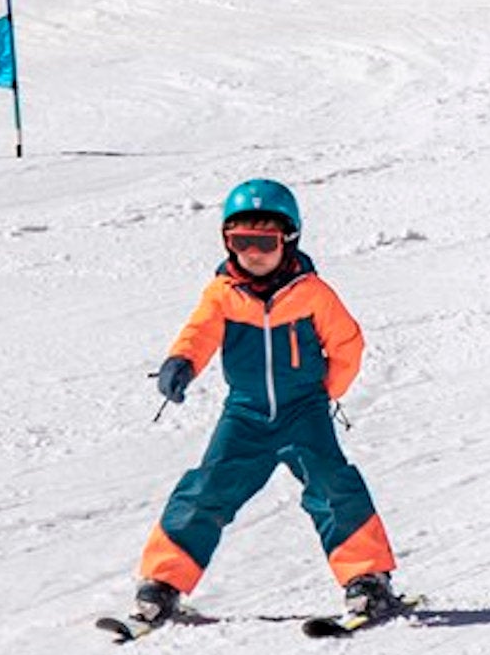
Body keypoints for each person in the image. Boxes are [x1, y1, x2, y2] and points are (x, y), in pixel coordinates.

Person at [128, 178, 405, 631]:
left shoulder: (313, 293)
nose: (252, 253)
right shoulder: (223, 293)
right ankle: (162, 582)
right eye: (240, 242)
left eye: (264, 241)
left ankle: (367, 579)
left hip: (304, 412)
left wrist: (326, 392)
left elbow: (347, 344)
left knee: (333, 487)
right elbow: (199, 332)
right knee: (206, 489)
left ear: (288, 239)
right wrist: (181, 362)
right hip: (245, 413)